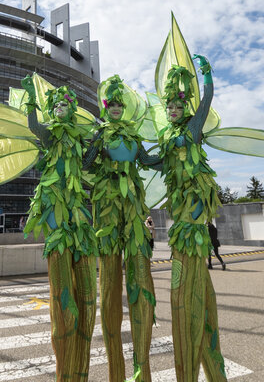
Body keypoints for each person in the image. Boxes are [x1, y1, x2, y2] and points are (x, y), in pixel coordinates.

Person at [144, 58, 227, 381]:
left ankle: (201, 355)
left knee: (191, 268)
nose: (174, 111)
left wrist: (207, 75)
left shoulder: (193, 129)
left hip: (193, 209)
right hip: (179, 210)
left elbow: (205, 101)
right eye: (170, 108)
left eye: (178, 106)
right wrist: (135, 154)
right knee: (185, 277)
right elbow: (155, 162)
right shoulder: (167, 139)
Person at [21, 76, 98, 381]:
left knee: (82, 268)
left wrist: (100, 140)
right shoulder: (51, 136)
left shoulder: (77, 139)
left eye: (66, 104)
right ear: (52, 111)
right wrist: (31, 101)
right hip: (54, 200)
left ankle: (78, 365)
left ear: (71, 108)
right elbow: (34, 128)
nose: (62, 108)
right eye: (57, 105)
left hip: (76, 205)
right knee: (60, 260)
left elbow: (88, 162)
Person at [83, 75, 157, 381]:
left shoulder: (134, 136)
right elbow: (87, 165)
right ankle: (116, 369)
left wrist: (175, 154)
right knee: (110, 273)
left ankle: (141, 368)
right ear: (106, 108)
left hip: (132, 204)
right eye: (111, 105)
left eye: (118, 105)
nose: (115, 108)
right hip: (109, 204)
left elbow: (148, 161)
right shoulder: (100, 136)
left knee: (139, 266)